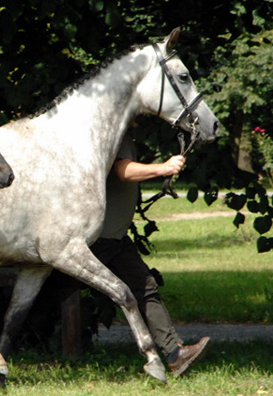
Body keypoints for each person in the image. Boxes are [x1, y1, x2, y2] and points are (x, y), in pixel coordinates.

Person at [90, 133, 210, 376]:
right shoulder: (117, 132)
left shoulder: (124, 133)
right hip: (95, 241)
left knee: (146, 288)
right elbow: (123, 170)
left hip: (115, 239)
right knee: (48, 291)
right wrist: (163, 168)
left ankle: (176, 355)